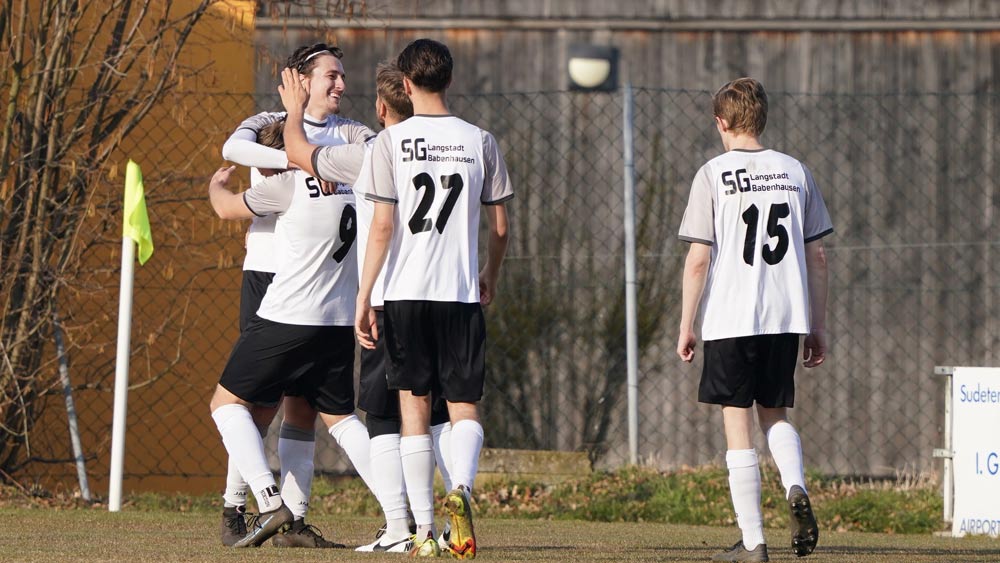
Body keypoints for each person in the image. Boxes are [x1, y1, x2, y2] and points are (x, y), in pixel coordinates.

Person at [278, 60, 455, 554]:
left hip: (388, 298)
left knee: (380, 414)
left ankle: (404, 527)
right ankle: (448, 512)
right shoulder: (456, 147)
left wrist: (294, 111)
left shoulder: (371, 152)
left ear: (380, 107)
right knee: (438, 414)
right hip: (445, 295)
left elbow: (297, 152)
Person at [355, 38, 513, 559]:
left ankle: (424, 531)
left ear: (404, 84)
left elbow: (382, 226)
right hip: (459, 291)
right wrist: (489, 271)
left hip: (405, 293)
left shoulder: (390, 144)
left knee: (414, 410)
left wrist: (365, 294)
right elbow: (501, 225)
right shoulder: (480, 140)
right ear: (449, 80)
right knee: (464, 405)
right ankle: (461, 490)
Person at [216, 43, 375, 548]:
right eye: (332, 75)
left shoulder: (350, 131)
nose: (341, 85)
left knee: (303, 409)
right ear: (300, 79)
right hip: (269, 275)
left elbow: (375, 157)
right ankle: (237, 507)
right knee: (255, 405)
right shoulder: (266, 118)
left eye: (343, 77)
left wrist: (304, 161)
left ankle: (292, 520)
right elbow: (233, 151)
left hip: (317, 286)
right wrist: (297, 154)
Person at [676, 77, 831, 562]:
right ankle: (796, 486)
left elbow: (699, 259)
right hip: (785, 316)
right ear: (761, 119)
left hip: (731, 316)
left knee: (737, 425)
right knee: (775, 415)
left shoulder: (713, 174)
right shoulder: (796, 172)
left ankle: (754, 542)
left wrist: (687, 323)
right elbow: (818, 257)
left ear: (720, 122)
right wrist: (817, 324)